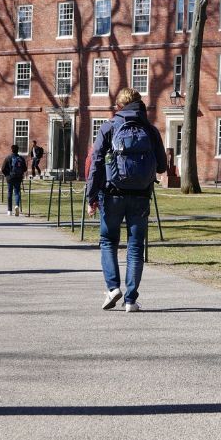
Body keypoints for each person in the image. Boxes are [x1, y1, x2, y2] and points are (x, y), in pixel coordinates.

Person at [86, 87, 167, 312]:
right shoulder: (150, 130)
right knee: (135, 246)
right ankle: (131, 300)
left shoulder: (109, 127)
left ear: (119, 107)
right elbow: (162, 165)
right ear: (139, 104)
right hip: (140, 195)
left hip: (111, 193)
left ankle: (113, 288)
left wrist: (91, 196)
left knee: (108, 241)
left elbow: (96, 164)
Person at [1, 144, 27, 216]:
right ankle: (17, 205)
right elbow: (25, 169)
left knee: (9, 193)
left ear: (11, 149)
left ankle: (9, 210)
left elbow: (3, 169)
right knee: (17, 192)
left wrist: (7, 175)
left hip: (10, 178)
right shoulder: (21, 158)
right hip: (18, 178)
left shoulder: (8, 158)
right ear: (18, 150)